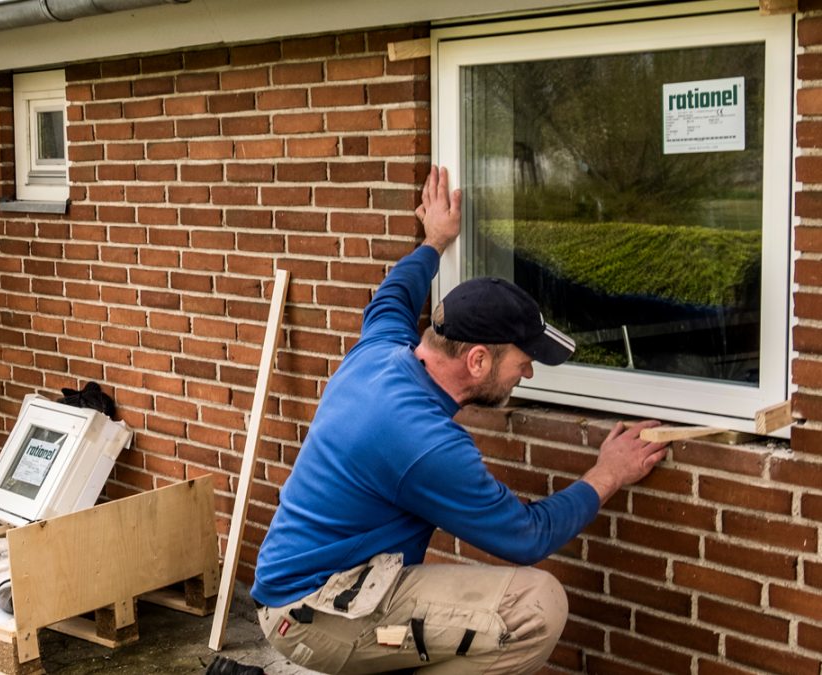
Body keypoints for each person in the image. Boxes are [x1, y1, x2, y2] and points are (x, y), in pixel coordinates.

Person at [250, 166, 669, 674]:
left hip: (324, 583)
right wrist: (609, 472)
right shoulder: (424, 440)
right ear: (477, 361)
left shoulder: (381, 349)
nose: (529, 372)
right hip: (316, 612)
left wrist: (435, 241)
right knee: (534, 608)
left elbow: (394, 293)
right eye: (523, 359)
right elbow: (526, 537)